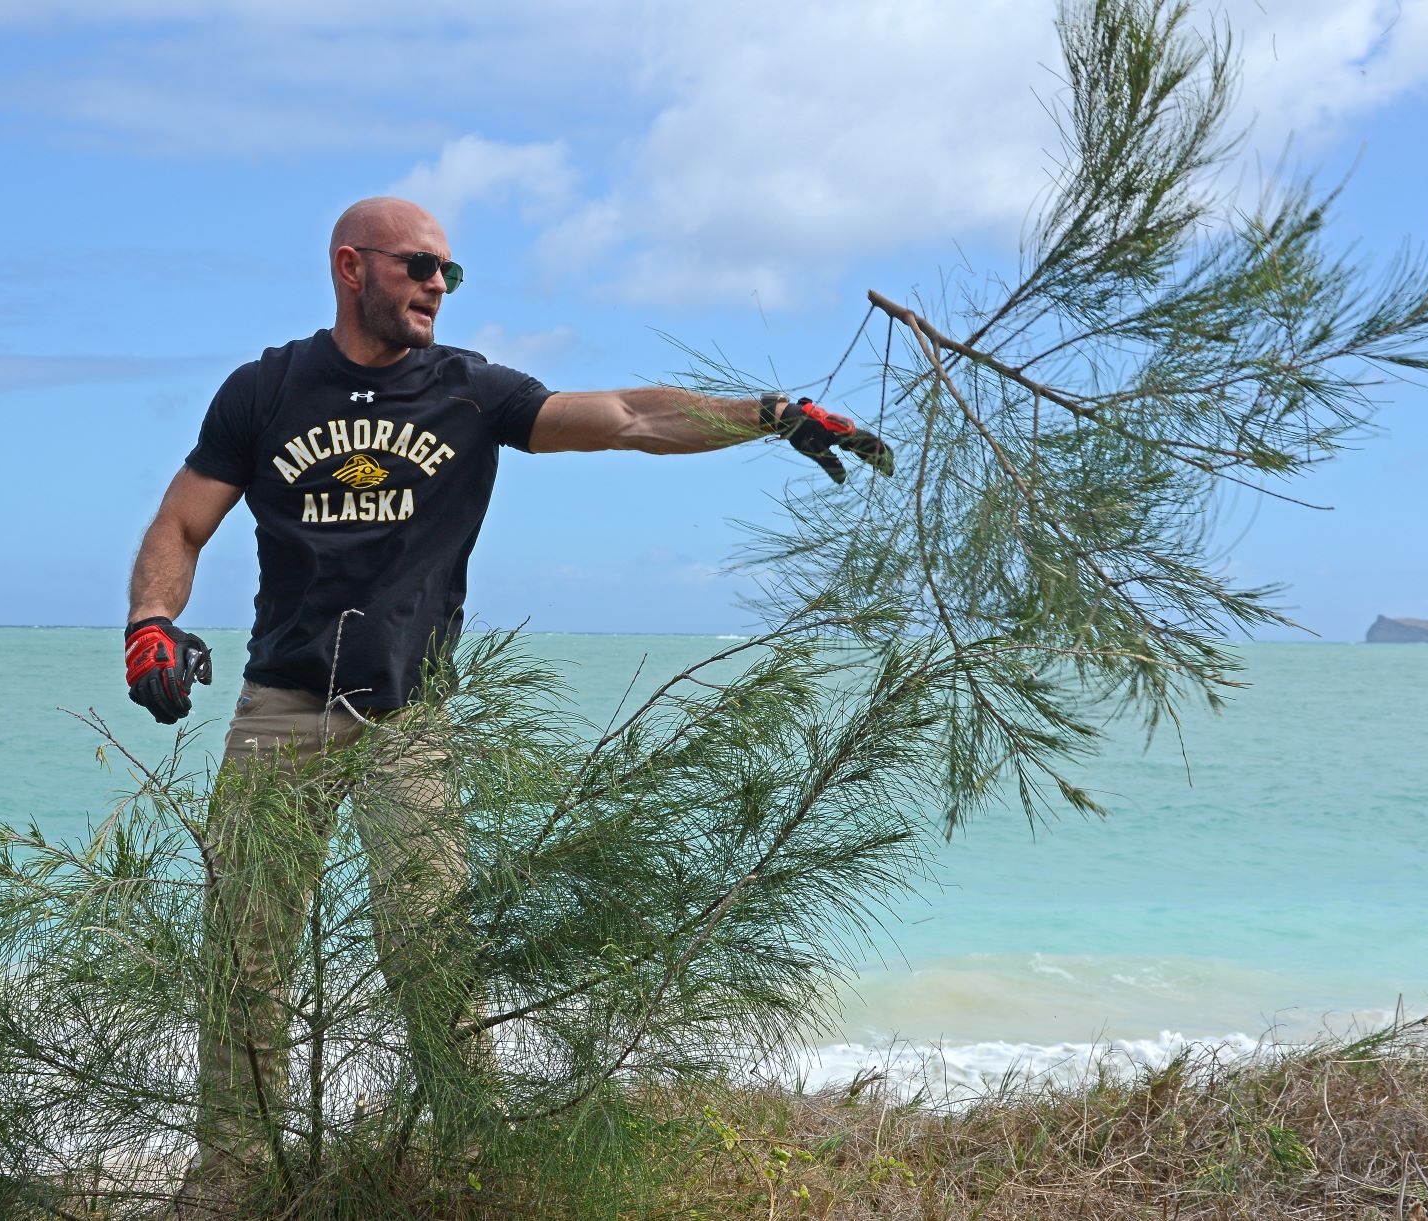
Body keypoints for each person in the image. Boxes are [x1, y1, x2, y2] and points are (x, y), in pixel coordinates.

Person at [121, 196, 892, 1213]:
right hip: (281, 707)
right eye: (420, 267)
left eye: (451, 272)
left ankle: (471, 1165)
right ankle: (230, 1182)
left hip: (409, 721)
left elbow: (628, 417)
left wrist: (769, 414)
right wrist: (150, 621)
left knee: (433, 957)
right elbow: (181, 522)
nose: (439, 284)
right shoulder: (266, 390)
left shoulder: (469, 392)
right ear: (352, 268)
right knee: (245, 956)